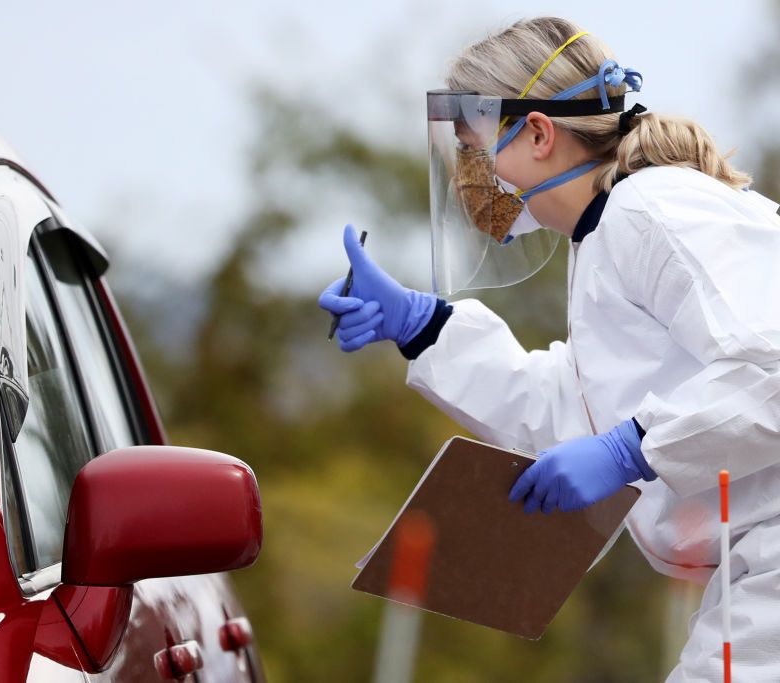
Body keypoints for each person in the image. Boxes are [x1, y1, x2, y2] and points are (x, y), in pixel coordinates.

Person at [319, 17, 780, 681]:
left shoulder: (652, 211)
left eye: (475, 147)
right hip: (750, 569)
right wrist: (424, 325)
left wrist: (635, 448)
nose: (470, 174)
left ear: (537, 133)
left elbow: (768, 367)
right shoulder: (605, 237)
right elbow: (573, 411)